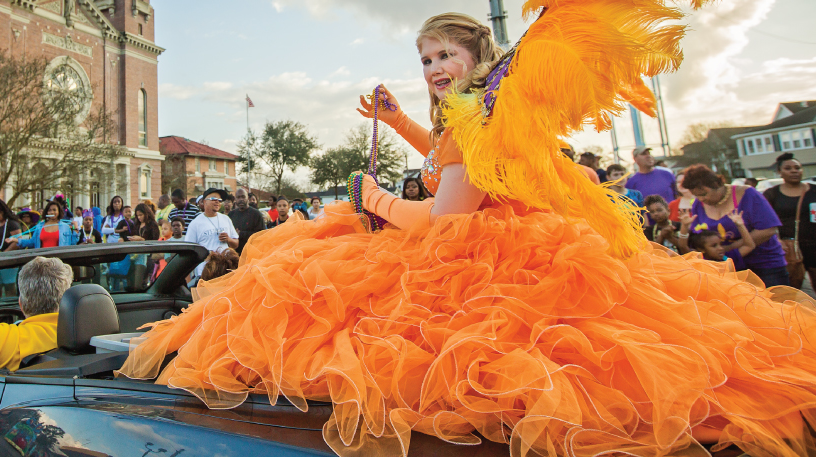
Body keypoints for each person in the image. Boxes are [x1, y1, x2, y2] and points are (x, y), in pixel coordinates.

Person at [118, 7, 816, 456]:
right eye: (424, 61)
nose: (430, 71)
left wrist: (376, 196)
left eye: (442, 57)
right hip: (473, 240)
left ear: (475, 59)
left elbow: (446, 215)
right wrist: (398, 123)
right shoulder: (470, 116)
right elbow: (451, 163)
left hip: (475, 258)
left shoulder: (483, 115)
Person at [682, 164, 789, 285]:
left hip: (765, 265)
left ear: (716, 184)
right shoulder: (698, 204)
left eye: (704, 194)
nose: (701, 199)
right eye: (696, 195)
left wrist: (730, 248)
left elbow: (768, 229)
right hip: (726, 268)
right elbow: (698, 237)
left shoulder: (748, 194)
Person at [763, 153, 816, 289]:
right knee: (791, 289)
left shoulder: (813, 190)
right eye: (788, 168)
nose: (794, 171)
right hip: (787, 248)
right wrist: (777, 240)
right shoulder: (772, 194)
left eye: (797, 168)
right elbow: (765, 221)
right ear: (779, 172)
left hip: (814, 245)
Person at [183, 188, 239, 280]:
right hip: (206, 272)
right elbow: (188, 252)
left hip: (226, 270)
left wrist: (228, 239)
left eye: (220, 200)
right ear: (204, 202)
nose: (217, 202)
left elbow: (236, 244)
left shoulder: (226, 219)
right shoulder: (196, 223)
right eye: (213, 199)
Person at [680, 209, 756, 263]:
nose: (720, 248)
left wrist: (740, 225)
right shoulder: (698, 260)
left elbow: (749, 246)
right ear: (701, 249)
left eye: (720, 244)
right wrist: (684, 226)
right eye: (714, 246)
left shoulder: (727, 258)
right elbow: (683, 246)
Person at [228, 188, 266, 254]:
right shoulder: (231, 215)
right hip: (235, 255)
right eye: (238, 197)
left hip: (251, 253)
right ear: (235, 199)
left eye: (243, 197)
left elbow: (261, 235)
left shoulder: (256, 214)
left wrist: (241, 234)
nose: (241, 200)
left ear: (247, 198)